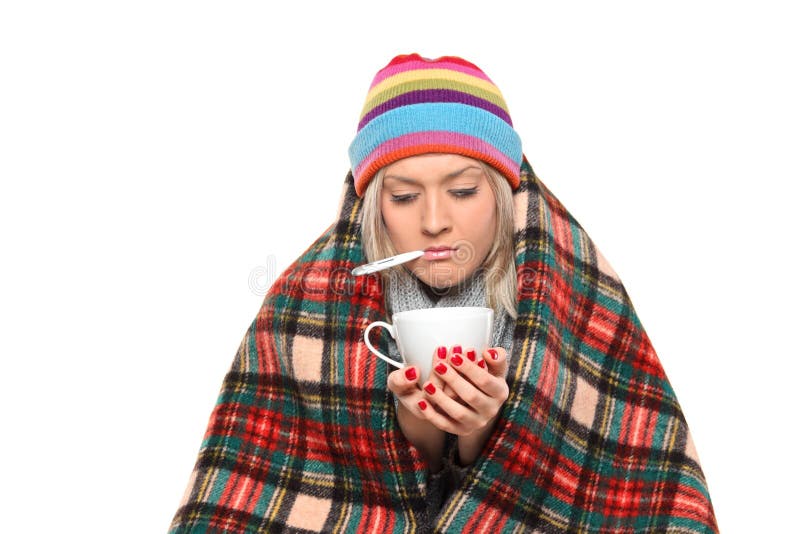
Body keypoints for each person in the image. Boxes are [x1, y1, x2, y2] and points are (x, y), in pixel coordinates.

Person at [170, 54, 718, 532]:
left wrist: (485, 434)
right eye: (405, 197)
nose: (435, 222)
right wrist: (415, 433)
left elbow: (633, 494)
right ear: (372, 207)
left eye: (462, 190)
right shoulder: (303, 307)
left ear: (505, 193)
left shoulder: (579, 297)